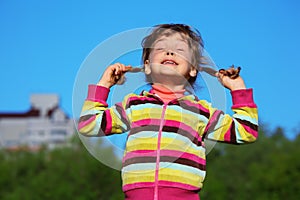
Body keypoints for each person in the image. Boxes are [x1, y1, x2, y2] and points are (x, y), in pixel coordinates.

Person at [77, 24, 258, 200]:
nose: (170, 52)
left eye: (179, 49)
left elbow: (246, 132)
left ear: (193, 69)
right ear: (147, 66)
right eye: (161, 48)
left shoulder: (201, 111)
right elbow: (89, 125)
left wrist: (238, 89)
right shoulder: (133, 105)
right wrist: (103, 85)